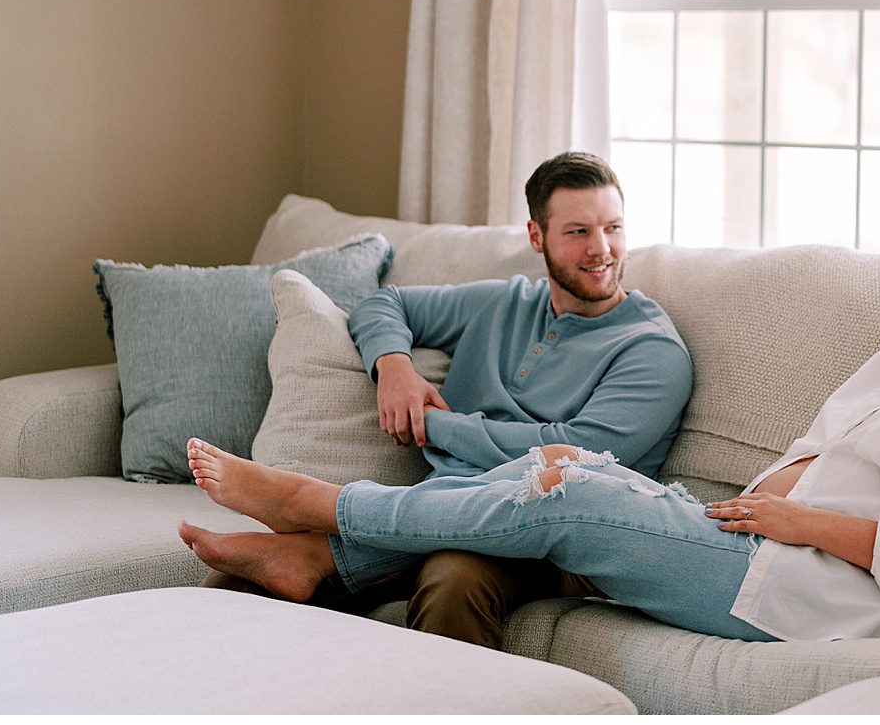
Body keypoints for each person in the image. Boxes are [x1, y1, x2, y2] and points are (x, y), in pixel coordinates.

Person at [180, 198, 880, 642]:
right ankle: (322, 545)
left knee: (568, 487)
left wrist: (801, 521)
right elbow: (809, 453)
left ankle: (321, 508)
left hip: (800, 587)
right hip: (742, 536)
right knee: (552, 468)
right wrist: (758, 503)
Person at [202, 151, 694, 650]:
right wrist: (394, 368)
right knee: (236, 585)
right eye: (578, 232)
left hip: (564, 535)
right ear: (536, 236)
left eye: (613, 227)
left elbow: (576, 455)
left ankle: (312, 525)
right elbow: (385, 303)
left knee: (452, 578)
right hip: (447, 499)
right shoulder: (505, 302)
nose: (602, 249)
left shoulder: (652, 350)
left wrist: (434, 424)